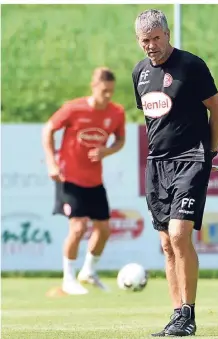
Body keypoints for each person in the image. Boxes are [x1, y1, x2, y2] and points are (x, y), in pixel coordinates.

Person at [132, 9, 218, 337]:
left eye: (156, 38)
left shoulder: (191, 66)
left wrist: (210, 151)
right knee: (166, 244)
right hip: (157, 164)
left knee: (179, 234)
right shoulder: (139, 73)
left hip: (192, 158)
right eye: (145, 40)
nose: (151, 45)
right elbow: (151, 119)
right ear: (139, 41)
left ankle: (189, 312)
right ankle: (176, 315)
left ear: (167, 34)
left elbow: (217, 108)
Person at [42, 67, 126, 295]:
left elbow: (120, 140)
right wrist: (51, 162)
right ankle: (68, 278)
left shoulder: (116, 113)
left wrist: (105, 152)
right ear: (94, 86)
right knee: (78, 227)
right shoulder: (74, 108)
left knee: (104, 229)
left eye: (111, 91)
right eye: (104, 90)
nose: (108, 95)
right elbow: (49, 129)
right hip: (69, 177)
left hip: (94, 180)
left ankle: (88, 271)